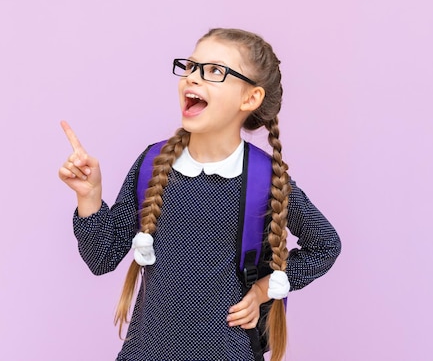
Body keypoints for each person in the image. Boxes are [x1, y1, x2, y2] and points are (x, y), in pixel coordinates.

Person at [58, 28, 341, 361]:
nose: (192, 78)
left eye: (214, 71)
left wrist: (264, 290)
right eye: (191, 67)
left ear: (249, 98)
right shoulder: (153, 164)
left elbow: (325, 245)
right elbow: (101, 258)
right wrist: (89, 197)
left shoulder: (266, 179)